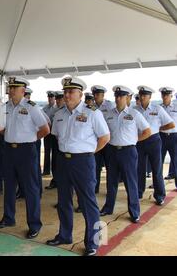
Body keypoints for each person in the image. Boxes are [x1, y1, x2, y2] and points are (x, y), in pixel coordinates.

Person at [47, 76, 110, 256]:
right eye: (65, 91)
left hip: (83, 161)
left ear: (80, 94)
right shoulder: (59, 114)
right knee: (63, 201)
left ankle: (93, 242)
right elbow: (58, 137)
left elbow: (105, 137)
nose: (67, 95)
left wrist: (89, 152)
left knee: (88, 202)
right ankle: (64, 235)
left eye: (71, 91)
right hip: (63, 161)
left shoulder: (92, 113)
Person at [0, 77, 50, 240]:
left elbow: (45, 129)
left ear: (23, 90)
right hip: (9, 150)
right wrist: (12, 137)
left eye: (14, 88)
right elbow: (1, 128)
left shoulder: (32, 107)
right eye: (10, 88)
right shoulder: (6, 107)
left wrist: (30, 139)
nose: (10, 91)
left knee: (30, 189)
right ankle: (8, 218)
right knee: (9, 186)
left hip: (26, 151)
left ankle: (34, 224)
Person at [100, 86, 151, 223]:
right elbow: (103, 132)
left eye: (121, 96)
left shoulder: (135, 114)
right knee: (111, 181)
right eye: (116, 96)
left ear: (128, 98)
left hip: (128, 151)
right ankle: (108, 207)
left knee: (130, 182)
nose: (118, 98)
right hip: (112, 150)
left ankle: (134, 212)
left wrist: (134, 141)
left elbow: (147, 131)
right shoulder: (108, 114)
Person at [133, 86, 175, 205]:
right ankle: (139, 192)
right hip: (140, 141)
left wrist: (158, 128)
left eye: (145, 95)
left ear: (150, 97)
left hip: (154, 141)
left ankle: (159, 195)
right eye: (141, 95)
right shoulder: (134, 109)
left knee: (157, 169)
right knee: (139, 168)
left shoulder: (157, 109)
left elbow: (171, 124)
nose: (142, 97)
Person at [91, 85, 115, 194]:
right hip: (96, 141)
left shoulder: (110, 105)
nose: (95, 97)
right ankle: (94, 188)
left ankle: (110, 190)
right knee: (95, 166)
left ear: (103, 95)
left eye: (97, 94)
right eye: (94, 94)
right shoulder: (91, 107)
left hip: (107, 141)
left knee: (110, 167)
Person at [159, 87, 177, 182]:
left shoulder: (176, 107)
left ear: (171, 96)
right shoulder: (158, 108)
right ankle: (157, 183)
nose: (165, 96)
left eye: (167, 95)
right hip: (161, 137)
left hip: (174, 136)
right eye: (164, 94)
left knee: (175, 160)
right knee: (158, 161)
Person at [42, 91, 56, 176]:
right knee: (47, 152)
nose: (50, 99)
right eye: (49, 97)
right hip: (47, 133)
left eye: (51, 97)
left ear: (54, 98)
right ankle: (46, 170)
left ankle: (54, 171)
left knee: (55, 153)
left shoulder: (58, 108)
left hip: (54, 133)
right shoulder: (45, 108)